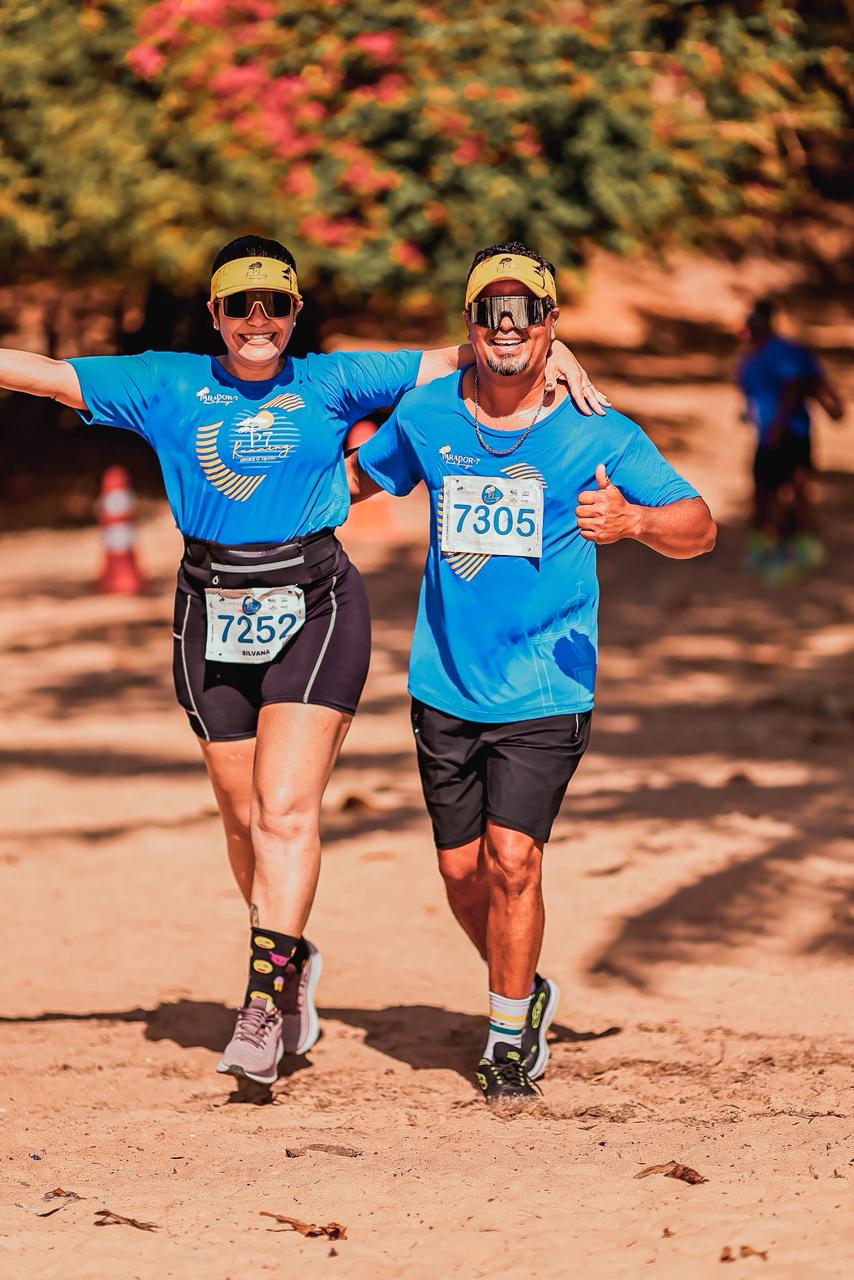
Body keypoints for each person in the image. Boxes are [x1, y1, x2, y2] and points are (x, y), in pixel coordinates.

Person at [0, 235, 606, 1088]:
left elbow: (467, 352)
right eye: (240, 306)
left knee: (284, 812)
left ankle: (262, 1002)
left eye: (275, 305)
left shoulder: (331, 380)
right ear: (215, 315)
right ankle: (288, 951)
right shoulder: (166, 383)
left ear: (294, 313)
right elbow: (46, 375)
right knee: (243, 819)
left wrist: (557, 349)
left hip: (316, 605)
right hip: (208, 610)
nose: (258, 321)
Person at [347, 242, 716, 1103]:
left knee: (513, 860)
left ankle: (506, 1039)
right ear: (470, 323)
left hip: (548, 682)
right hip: (444, 681)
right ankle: (525, 986)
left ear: (550, 323)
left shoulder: (597, 429)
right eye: (491, 310)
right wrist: (266, 497)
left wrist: (631, 522)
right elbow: (358, 480)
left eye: (524, 311)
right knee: (462, 874)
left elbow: (699, 526)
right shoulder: (428, 414)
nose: (506, 325)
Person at [737, 298, 843, 581]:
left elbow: (796, 388)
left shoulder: (785, 353)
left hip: (791, 434)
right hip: (767, 436)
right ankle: (769, 549)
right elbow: (754, 397)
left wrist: (779, 427)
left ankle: (806, 549)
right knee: (764, 493)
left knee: (797, 491)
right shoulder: (748, 361)